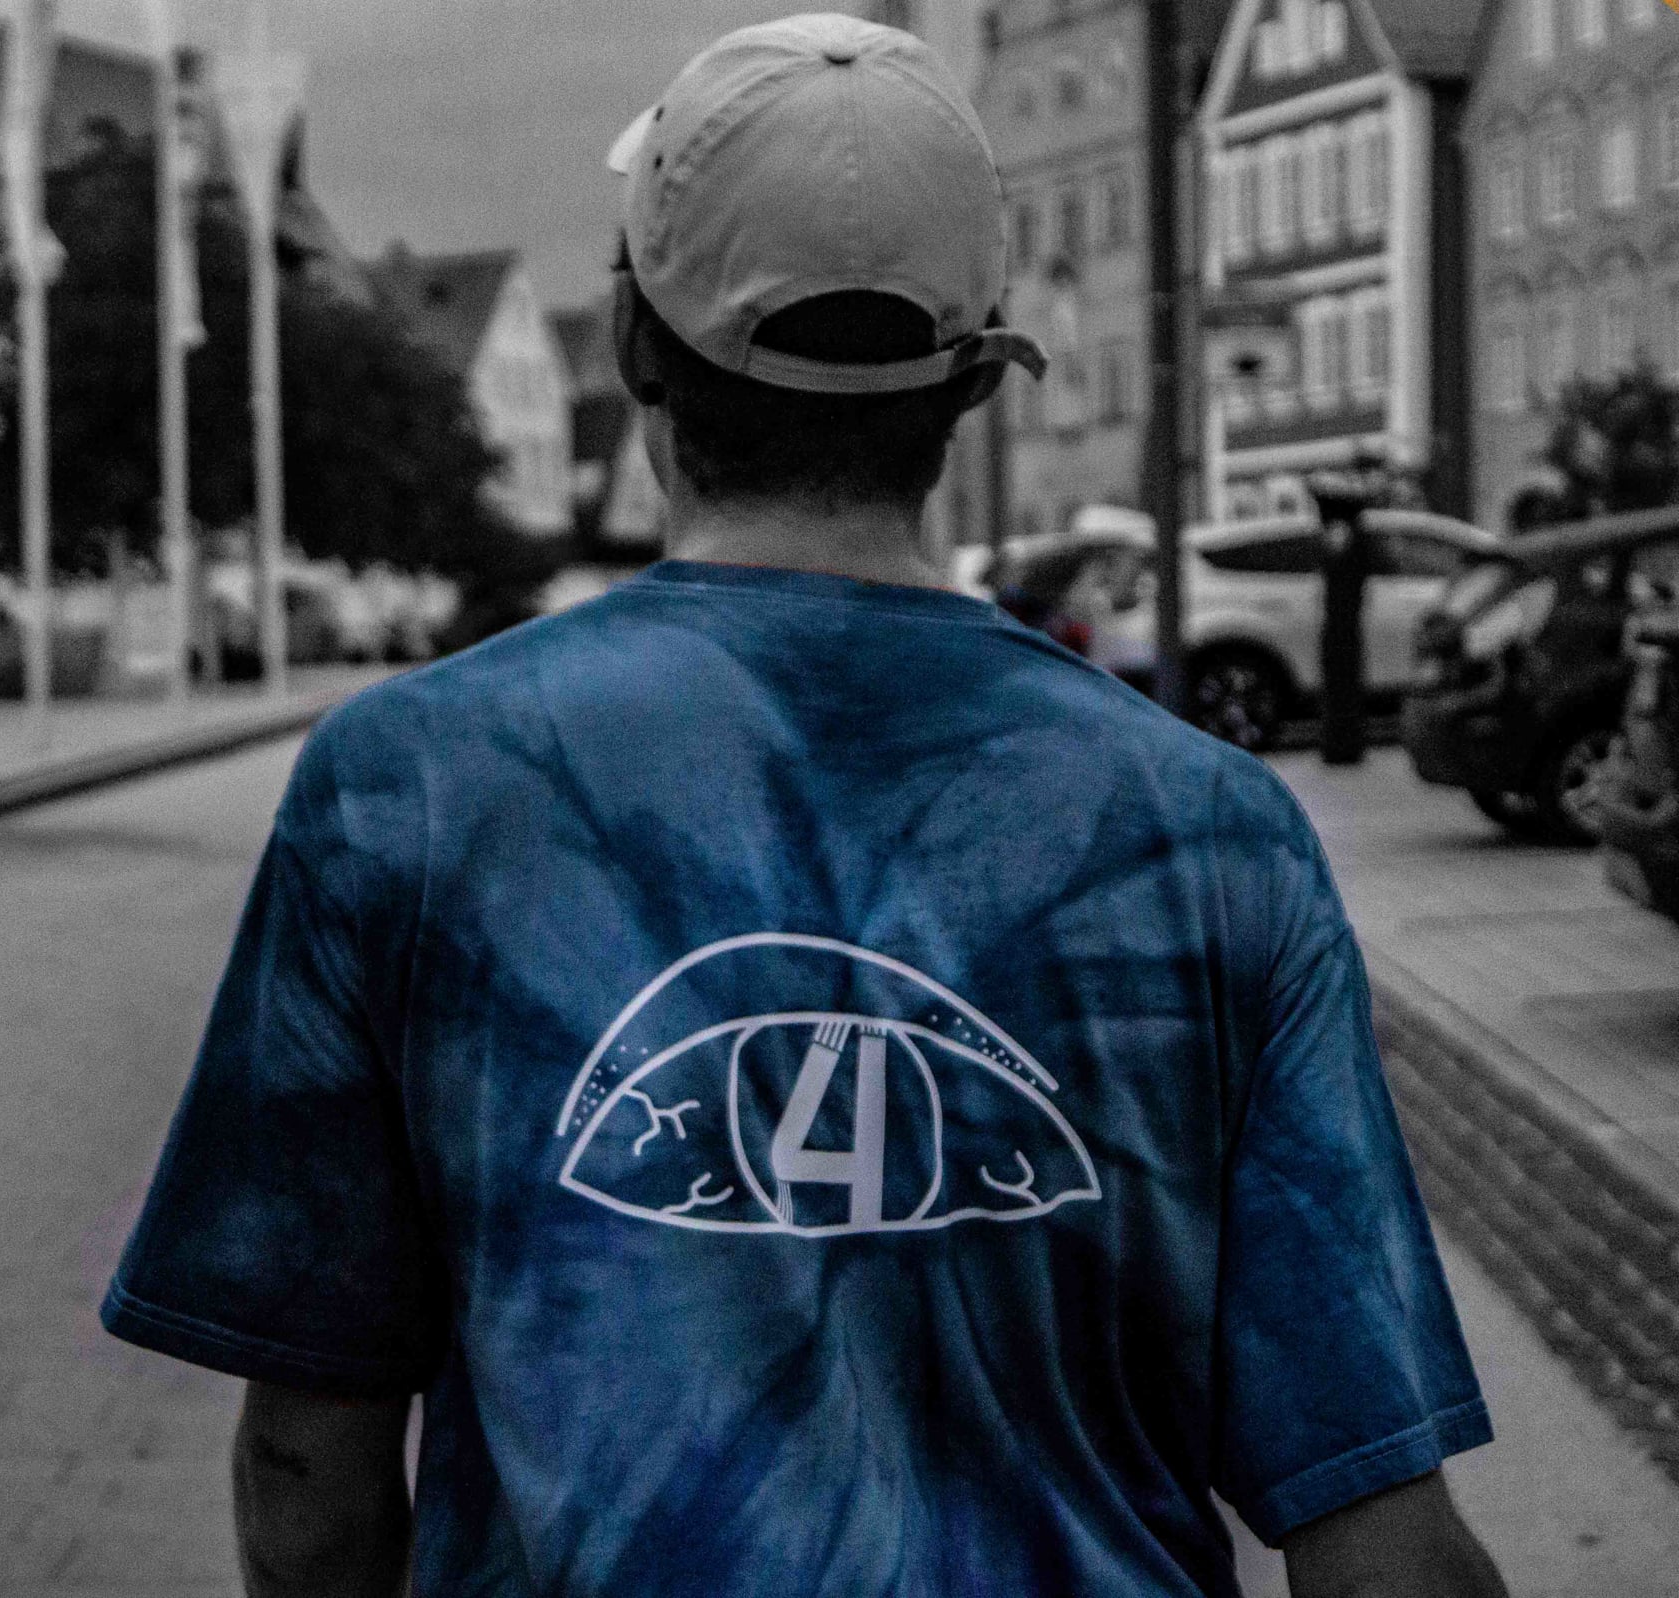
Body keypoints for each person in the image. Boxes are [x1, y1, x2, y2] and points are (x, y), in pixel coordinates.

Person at [101, 17, 1507, 1596]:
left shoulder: (408, 785)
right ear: (977, 375)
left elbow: (309, 1463)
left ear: (633, 344)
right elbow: (1380, 1532)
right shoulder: (1211, 829)